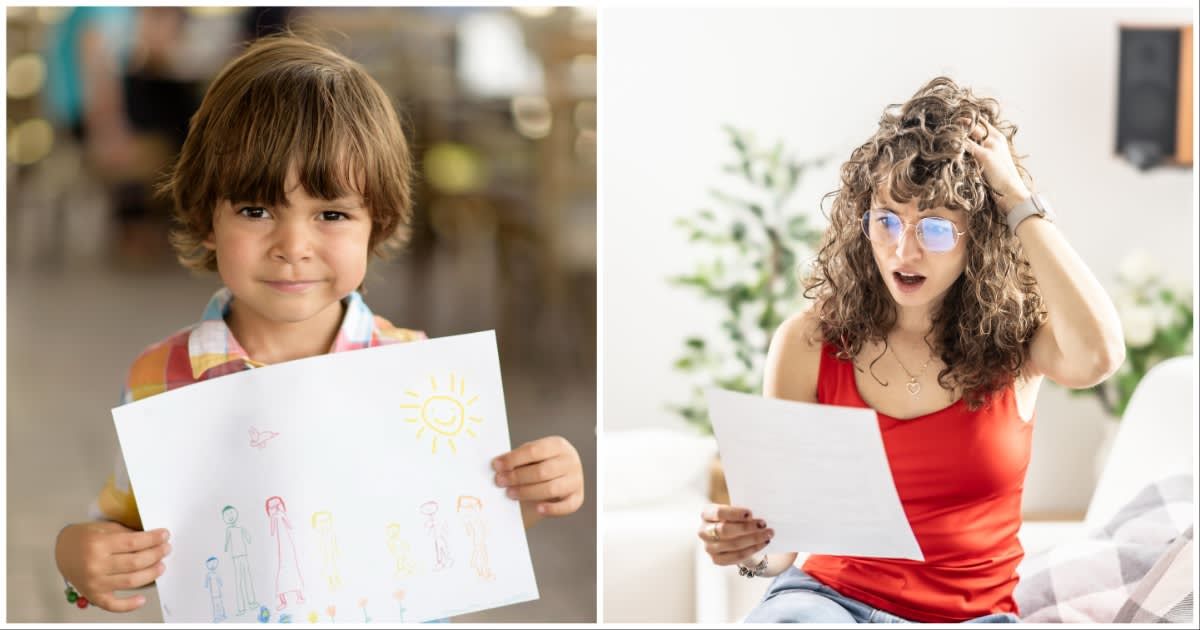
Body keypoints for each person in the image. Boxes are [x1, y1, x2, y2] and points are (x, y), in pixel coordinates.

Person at [52, 33, 586, 614]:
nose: (293, 246)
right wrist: (77, 554)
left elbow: (462, 524)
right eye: (256, 211)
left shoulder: (412, 372)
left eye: (331, 214)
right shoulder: (161, 377)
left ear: (375, 224)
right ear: (208, 217)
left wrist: (539, 489)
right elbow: (131, 539)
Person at [698, 77, 1125, 623]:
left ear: (982, 237)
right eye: (887, 221)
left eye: (937, 229)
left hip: (972, 617)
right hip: (826, 603)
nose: (905, 249)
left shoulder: (1016, 344)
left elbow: (1101, 354)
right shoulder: (807, 344)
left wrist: (1016, 200)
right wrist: (750, 550)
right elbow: (782, 542)